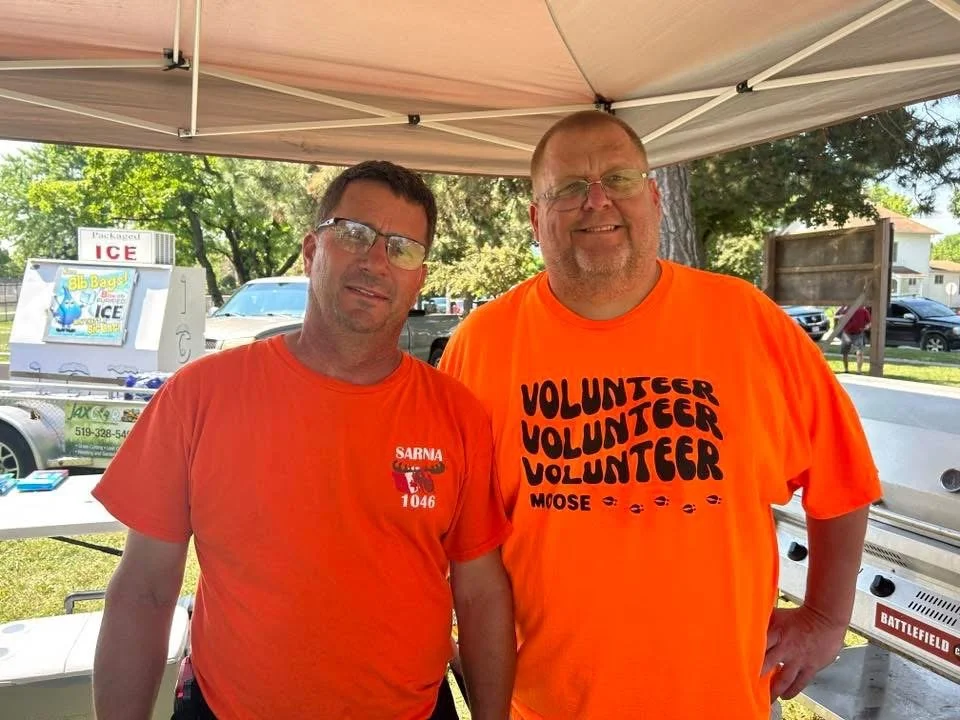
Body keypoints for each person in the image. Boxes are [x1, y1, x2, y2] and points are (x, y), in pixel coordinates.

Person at [439, 111, 881, 720]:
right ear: (536, 217)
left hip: (720, 702)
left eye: (618, 180)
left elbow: (844, 479)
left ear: (653, 197)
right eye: (568, 189)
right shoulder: (482, 344)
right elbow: (450, 526)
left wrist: (827, 619)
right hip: (546, 704)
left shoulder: (745, 321)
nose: (597, 202)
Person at [92, 160, 515, 720]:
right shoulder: (200, 394)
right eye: (354, 234)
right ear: (313, 251)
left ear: (420, 278)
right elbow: (143, 589)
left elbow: (481, 593)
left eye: (402, 247)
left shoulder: (456, 412)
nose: (375, 261)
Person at [837, 304, 871, 373]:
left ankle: (859, 371)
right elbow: (836, 316)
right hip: (846, 334)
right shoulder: (845, 308)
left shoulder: (863, 310)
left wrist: (867, 326)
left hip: (858, 333)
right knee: (845, 353)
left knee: (859, 353)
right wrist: (841, 316)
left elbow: (869, 322)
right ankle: (846, 370)